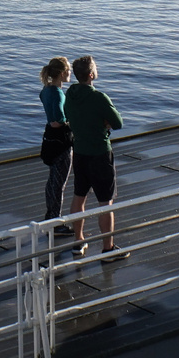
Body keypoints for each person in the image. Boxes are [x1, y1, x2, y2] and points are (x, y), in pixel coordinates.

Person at [64, 55, 128, 260]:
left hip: (80, 152)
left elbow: (70, 118)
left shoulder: (70, 95)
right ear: (91, 74)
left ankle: (78, 241)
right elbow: (118, 123)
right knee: (105, 202)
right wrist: (104, 122)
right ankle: (108, 248)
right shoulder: (99, 98)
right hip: (100, 153)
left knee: (79, 196)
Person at [37, 56, 74, 224]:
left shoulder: (45, 90)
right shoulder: (58, 94)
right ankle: (55, 221)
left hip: (49, 140)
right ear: (61, 73)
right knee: (59, 182)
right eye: (68, 70)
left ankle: (50, 214)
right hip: (61, 142)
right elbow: (58, 120)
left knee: (52, 180)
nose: (70, 73)